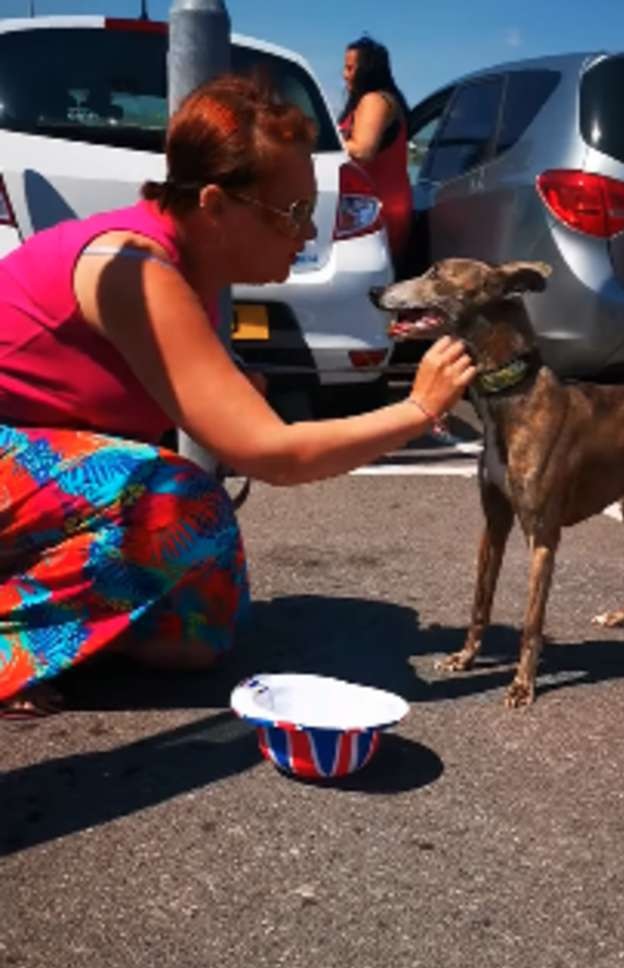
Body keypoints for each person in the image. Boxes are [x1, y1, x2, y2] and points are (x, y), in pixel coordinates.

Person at [0, 74, 475, 720]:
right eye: (293, 214)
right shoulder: (136, 272)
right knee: (180, 503)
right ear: (217, 206)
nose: (306, 235)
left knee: (203, 628)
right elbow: (272, 455)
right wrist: (416, 410)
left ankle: (58, 637)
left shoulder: (182, 268)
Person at [338, 36, 412, 267]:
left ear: (367, 70)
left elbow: (362, 150)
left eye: (350, 68)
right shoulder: (374, 101)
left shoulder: (375, 100)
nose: (344, 74)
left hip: (380, 210)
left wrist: (318, 141)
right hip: (375, 208)